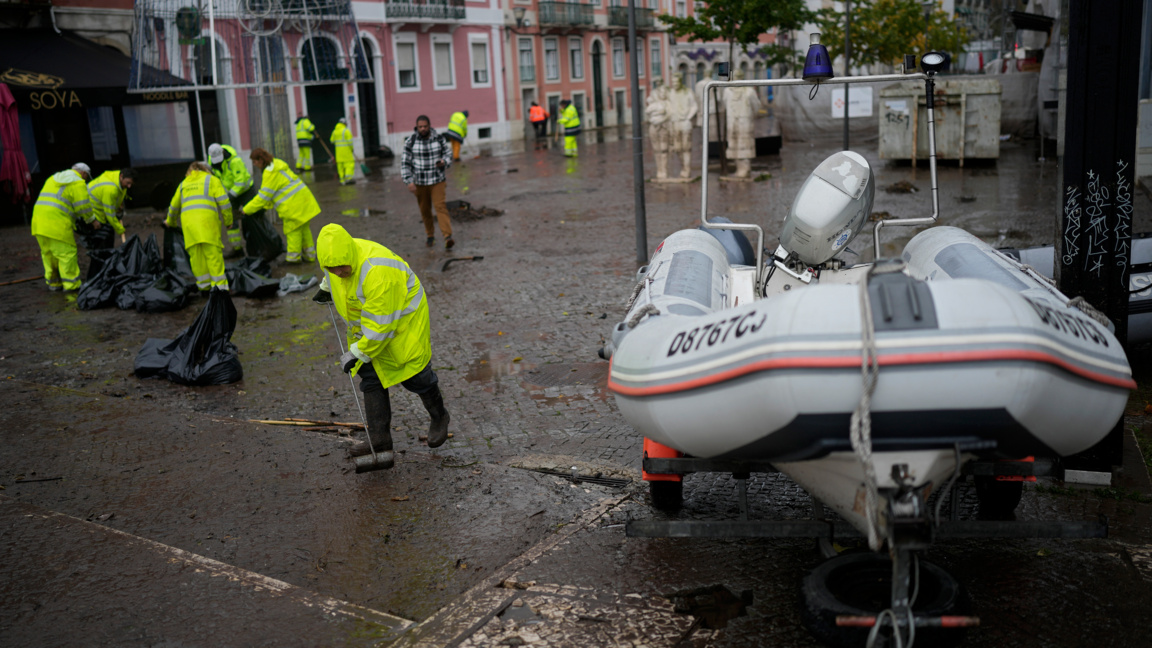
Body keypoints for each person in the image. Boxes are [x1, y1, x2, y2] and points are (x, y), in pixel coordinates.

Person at [312, 223, 451, 467]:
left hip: (401, 322)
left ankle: (439, 415)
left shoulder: (377, 271)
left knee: (414, 375)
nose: (340, 273)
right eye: (332, 270)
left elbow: (382, 326)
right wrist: (326, 287)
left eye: (342, 268)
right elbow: (335, 276)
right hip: (372, 325)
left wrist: (357, 352)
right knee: (371, 376)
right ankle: (379, 440)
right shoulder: (338, 260)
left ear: (349, 255)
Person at [165, 162, 232, 292]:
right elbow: (225, 202)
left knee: (197, 259)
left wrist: (171, 223)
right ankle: (220, 289)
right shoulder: (212, 180)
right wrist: (228, 221)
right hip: (208, 226)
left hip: (190, 228)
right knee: (213, 257)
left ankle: (204, 288)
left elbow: (173, 207)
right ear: (206, 169)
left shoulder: (183, 184)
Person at [245, 148, 320, 263]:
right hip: (303, 200)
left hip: (293, 205)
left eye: (255, 162)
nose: (254, 165)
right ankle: (310, 255)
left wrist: (246, 210)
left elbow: (263, 197)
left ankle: (293, 259)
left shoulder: (270, 173)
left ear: (260, 160)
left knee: (292, 230)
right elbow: (276, 190)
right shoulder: (276, 164)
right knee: (304, 229)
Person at [30, 164, 95, 291]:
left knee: (48, 254)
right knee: (67, 254)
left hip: (38, 223)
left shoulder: (53, 178)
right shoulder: (78, 182)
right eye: (86, 178)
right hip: (57, 224)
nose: (85, 180)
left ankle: (54, 283)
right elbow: (83, 206)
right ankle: (72, 285)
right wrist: (92, 220)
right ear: (84, 174)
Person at [400, 115, 454, 249]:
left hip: (437, 180)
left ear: (429, 126)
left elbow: (448, 154)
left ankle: (448, 237)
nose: (423, 129)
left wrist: (444, 162)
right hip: (419, 183)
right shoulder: (410, 141)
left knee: (440, 207)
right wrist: (409, 181)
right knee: (425, 210)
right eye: (420, 127)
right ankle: (430, 235)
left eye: (425, 126)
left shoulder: (439, 138)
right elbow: (405, 163)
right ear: (416, 127)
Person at [208, 143, 256, 256]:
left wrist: (229, 196)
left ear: (223, 153)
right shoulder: (213, 161)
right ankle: (237, 249)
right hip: (230, 193)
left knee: (252, 218)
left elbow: (241, 182)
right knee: (230, 220)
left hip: (246, 191)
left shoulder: (235, 161)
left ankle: (257, 246)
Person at [87, 167, 136, 247]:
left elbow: (117, 198)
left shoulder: (118, 180)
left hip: (99, 206)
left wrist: (117, 207)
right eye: (128, 183)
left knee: (107, 235)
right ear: (121, 176)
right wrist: (120, 229)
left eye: (131, 184)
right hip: (93, 210)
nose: (129, 186)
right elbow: (109, 213)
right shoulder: (110, 189)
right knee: (101, 239)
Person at [331, 118, 354, 184]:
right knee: (349, 165)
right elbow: (350, 142)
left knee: (340, 167)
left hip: (338, 153)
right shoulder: (346, 131)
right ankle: (348, 179)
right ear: (344, 123)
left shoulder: (334, 131)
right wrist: (352, 149)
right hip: (347, 153)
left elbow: (332, 141)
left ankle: (342, 181)